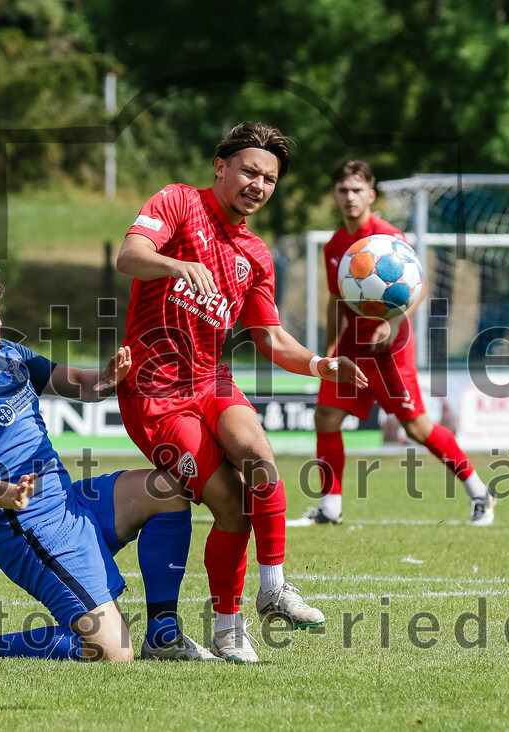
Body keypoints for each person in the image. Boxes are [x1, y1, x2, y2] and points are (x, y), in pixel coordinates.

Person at [116, 122, 368, 662]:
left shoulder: (254, 253)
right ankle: (226, 629)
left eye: (269, 179)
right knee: (231, 504)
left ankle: (272, 588)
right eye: (250, 171)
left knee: (258, 453)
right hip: (154, 389)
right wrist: (176, 264)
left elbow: (271, 337)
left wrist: (321, 365)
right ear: (220, 166)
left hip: (210, 378)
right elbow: (130, 255)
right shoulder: (178, 202)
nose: (259, 185)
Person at [0, 256, 216, 663]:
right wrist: (8, 493)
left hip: (72, 504)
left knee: (165, 490)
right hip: (30, 530)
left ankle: (163, 636)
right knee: (112, 653)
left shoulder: (10, 355)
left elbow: (76, 383)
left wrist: (107, 377)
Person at [304, 160, 496, 527]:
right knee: (325, 416)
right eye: (343, 190)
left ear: (370, 195)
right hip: (351, 349)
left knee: (417, 429)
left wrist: (392, 323)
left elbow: (418, 287)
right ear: (335, 195)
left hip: (389, 351)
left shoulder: (387, 237)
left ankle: (479, 491)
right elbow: (335, 300)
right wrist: (329, 348)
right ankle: (330, 508)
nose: (350, 197)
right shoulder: (334, 245)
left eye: (357, 190)